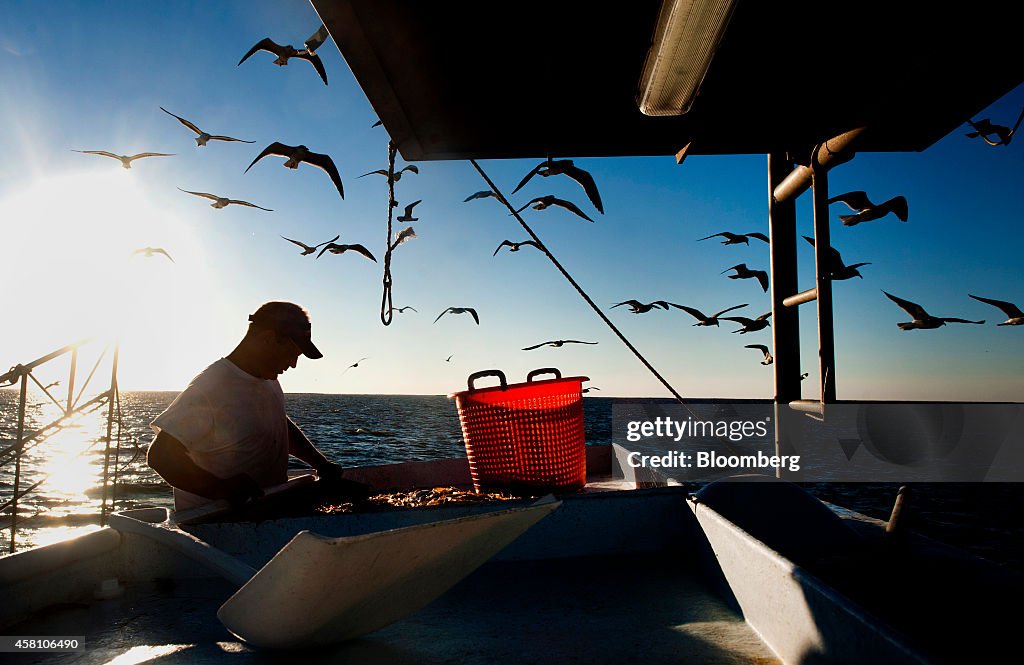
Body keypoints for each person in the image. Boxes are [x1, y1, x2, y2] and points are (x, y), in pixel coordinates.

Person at [147, 301, 367, 512]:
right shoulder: (211, 388)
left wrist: (320, 463)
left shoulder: (268, 379)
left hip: (264, 514)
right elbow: (161, 456)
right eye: (291, 354)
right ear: (268, 339)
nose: (293, 364)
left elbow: (277, 423)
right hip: (215, 525)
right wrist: (220, 488)